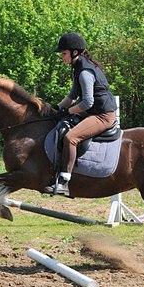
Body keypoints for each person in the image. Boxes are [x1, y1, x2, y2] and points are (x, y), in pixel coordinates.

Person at [44, 32, 118, 195]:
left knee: (71, 137)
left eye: (63, 53)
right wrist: (54, 110)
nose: (62, 57)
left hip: (103, 115)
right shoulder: (78, 67)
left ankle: (64, 181)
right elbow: (72, 96)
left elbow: (87, 102)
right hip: (92, 112)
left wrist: (67, 111)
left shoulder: (85, 71)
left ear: (74, 52)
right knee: (61, 125)